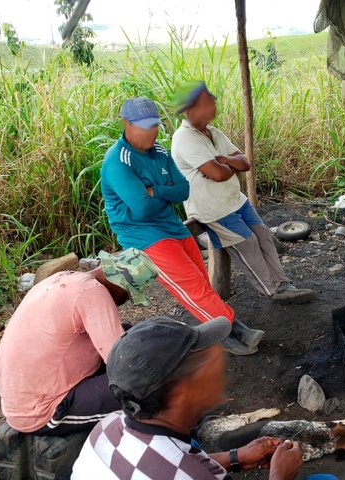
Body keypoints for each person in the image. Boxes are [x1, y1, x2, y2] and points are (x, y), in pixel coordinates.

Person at [100, 96, 263, 355]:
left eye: (154, 125)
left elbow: (184, 190)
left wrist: (156, 191)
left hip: (172, 226)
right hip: (144, 237)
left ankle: (220, 327)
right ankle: (231, 329)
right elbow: (141, 209)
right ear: (127, 124)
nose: (150, 132)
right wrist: (163, 194)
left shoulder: (161, 152)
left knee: (200, 281)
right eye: (143, 126)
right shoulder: (119, 162)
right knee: (192, 286)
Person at [72, 317, 304, 480]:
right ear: (182, 393)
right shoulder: (194, 475)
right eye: (208, 362)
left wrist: (236, 457)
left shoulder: (109, 424)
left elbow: (167, 464)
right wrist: (280, 475)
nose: (221, 366)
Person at [170, 81, 314, 304]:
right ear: (192, 108)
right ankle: (273, 290)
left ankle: (283, 282)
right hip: (213, 209)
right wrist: (227, 167)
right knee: (247, 243)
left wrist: (225, 161)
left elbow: (244, 163)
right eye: (209, 103)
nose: (214, 107)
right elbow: (218, 174)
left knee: (264, 235)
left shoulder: (214, 133)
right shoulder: (184, 139)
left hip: (235, 201)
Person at [0, 248, 158, 435]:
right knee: (147, 390)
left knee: (130, 334)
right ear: (121, 286)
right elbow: (121, 363)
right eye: (129, 296)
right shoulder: (93, 293)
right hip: (43, 411)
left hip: (24, 396)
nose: (125, 301)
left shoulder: (64, 279)